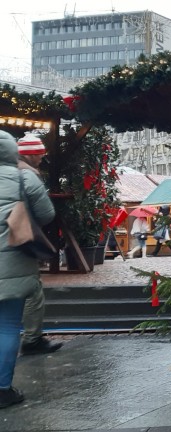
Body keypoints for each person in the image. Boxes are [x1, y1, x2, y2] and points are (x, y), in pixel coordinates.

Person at [0, 130, 56, 408]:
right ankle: (2, 389)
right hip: (13, 260)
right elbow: (46, 214)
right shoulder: (24, 177)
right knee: (8, 326)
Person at [14, 134, 62, 356]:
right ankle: (32, 339)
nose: (43, 157)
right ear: (31, 154)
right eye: (40, 153)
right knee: (32, 290)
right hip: (19, 241)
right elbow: (46, 213)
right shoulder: (28, 176)